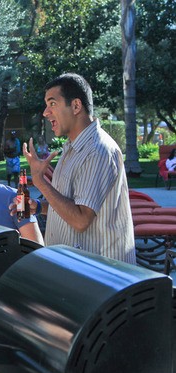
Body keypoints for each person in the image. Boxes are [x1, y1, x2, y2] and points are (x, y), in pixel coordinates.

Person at [22, 73, 135, 264]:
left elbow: (81, 220)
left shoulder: (98, 151)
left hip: (100, 273)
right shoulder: (71, 148)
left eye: (52, 103)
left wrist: (40, 182)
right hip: (76, 269)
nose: (45, 112)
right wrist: (39, 207)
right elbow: (69, 205)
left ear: (76, 106)